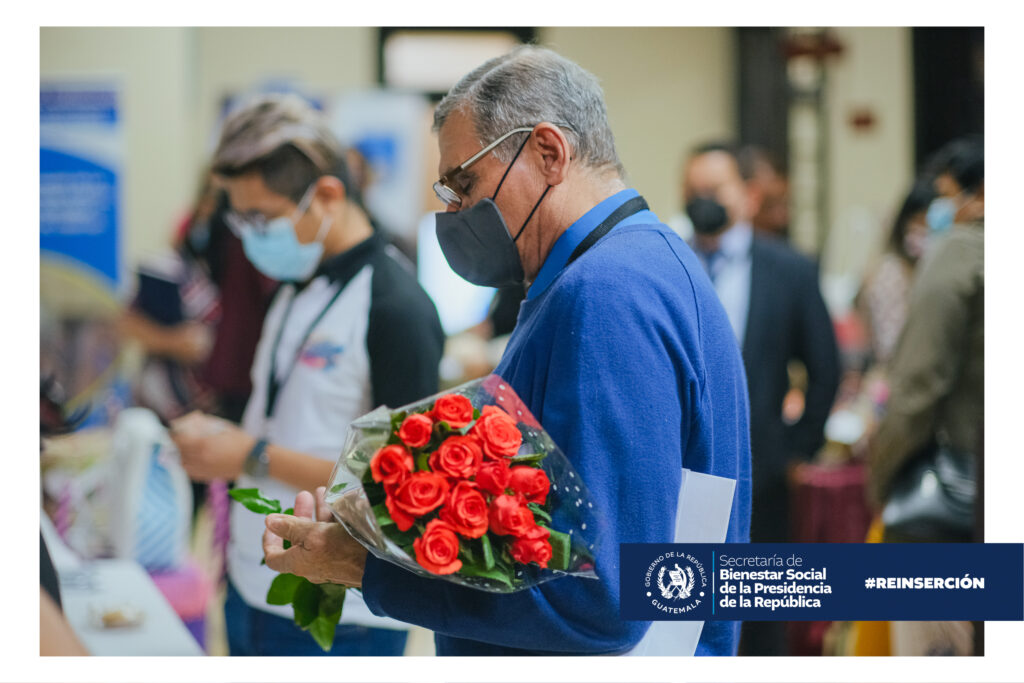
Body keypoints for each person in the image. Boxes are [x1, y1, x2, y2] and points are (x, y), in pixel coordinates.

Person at [260, 45, 751, 656]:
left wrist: (367, 569)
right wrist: (387, 528)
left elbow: (609, 598)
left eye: (465, 183)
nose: (455, 212)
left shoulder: (606, 292)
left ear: (548, 152)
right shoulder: (632, 265)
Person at [170, 94, 445, 656]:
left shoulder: (396, 306)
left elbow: (407, 485)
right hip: (253, 584)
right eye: (239, 218)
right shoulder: (299, 287)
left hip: (340, 612)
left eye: (261, 218)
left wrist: (251, 456)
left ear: (326, 196)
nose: (249, 237)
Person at [682, 141, 840, 655]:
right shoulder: (673, 262)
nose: (703, 200)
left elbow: (824, 368)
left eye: (715, 190)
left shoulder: (788, 270)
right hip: (682, 471)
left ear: (747, 196)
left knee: (758, 616)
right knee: (683, 605)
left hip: (764, 471)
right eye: (693, 191)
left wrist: (798, 449)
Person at [867, 136, 983, 657]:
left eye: (945, 194)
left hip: (960, 501)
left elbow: (918, 385)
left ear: (977, 195)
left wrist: (881, 473)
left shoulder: (961, 250)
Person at [856, 180, 936, 368]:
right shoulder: (891, 274)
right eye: (918, 221)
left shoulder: (927, 269)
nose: (924, 229)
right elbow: (890, 345)